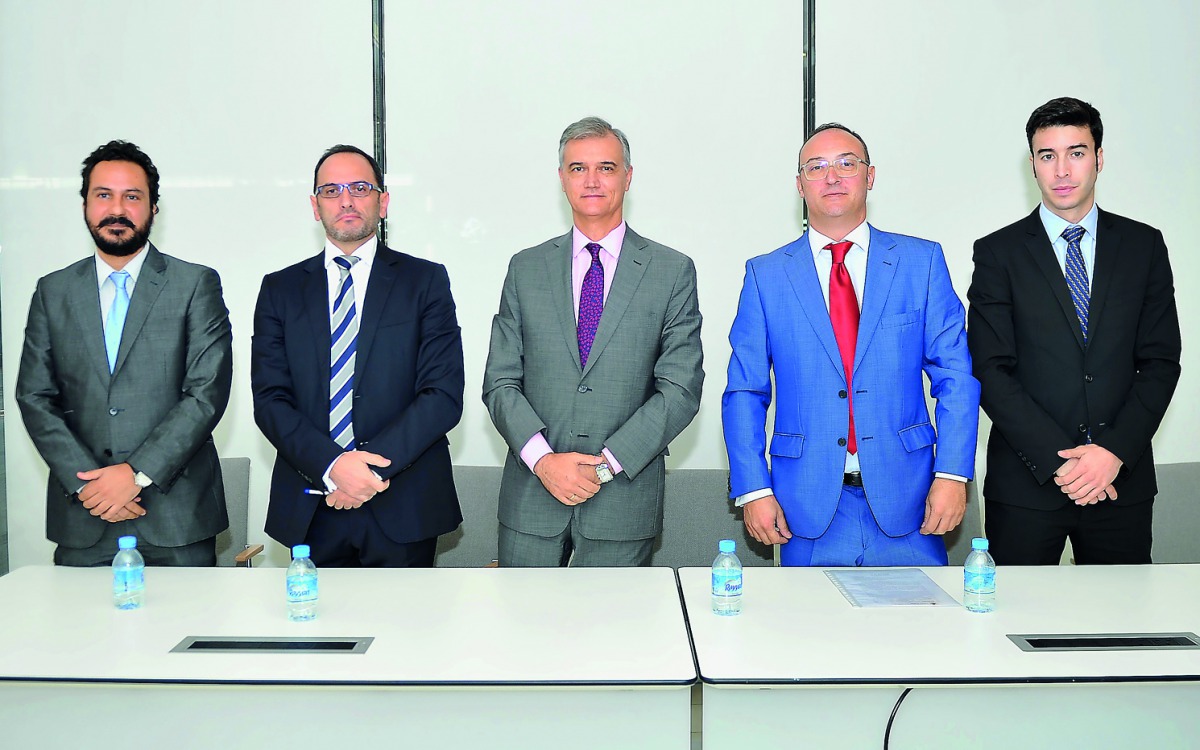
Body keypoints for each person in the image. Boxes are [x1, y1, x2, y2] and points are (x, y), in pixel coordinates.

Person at [723, 123, 979, 567]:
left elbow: (955, 377)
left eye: (847, 163)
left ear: (870, 175)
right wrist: (754, 489)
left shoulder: (921, 263)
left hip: (911, 499)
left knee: (923, 614)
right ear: (799, 184)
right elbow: (745, 390)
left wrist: (953, 473)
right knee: (808, 615)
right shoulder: (766, 275)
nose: (832, 177)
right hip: (805, 505)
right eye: (816, 167)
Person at [967, 97, 1181, 565]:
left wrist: (1111, 452)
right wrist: (1061, 461)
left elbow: (1161, 362)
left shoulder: (1143, 245)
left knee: (1123, 611)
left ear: (1099, 159)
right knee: (1015, 610)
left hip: (1118, 481)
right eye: (1047, 155)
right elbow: (990, 368)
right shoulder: (998, 252)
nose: (1062, 170)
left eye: (1076, 153)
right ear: (1032, 164)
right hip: (1027, 486)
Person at [482, 116, 703, 567]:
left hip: (622, 498)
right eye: (578, 168)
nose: (592, 180)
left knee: (614, 617)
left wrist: (603, 466)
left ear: (628, 176)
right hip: (531, 497)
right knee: (520, 615)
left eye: (606, 167)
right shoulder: (526, 268)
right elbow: (500, 381)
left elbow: (680, 389)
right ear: (562, 179)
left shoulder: (671, 271)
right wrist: (544, 461)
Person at [16, 140, 233, 566]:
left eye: (132, 197)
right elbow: (34, 397)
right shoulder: (52, 291)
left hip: (176, 519)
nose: (117, 209)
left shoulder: (194, 284)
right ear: (85, 205)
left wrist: (135, 475)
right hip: (84, 513)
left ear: (154, 208)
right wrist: (90, 485)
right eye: (104, 195)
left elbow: (205, 393)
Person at [252, 144, 464, 567]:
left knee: (406, 614)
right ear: (315, 206)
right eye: (331, 190)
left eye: (360, 188)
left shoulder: (425, 281)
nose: (346, 200)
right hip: (312, 501)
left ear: (383, 202)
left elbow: (441, 395)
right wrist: (333, 465)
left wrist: (365, 471)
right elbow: (271, 400)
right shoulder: (280, 289)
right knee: (313, 614)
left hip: (402, 501)